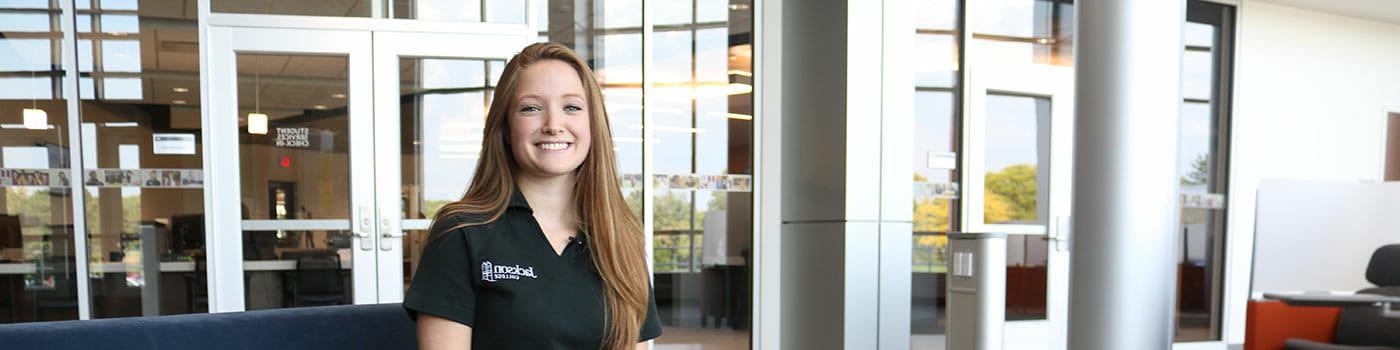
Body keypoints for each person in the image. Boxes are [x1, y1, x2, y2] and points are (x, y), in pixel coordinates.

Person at [404, 42, 661, 350]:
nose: (554, 125)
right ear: (505, 128)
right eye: (531, 108)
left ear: (593, 125)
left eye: (572, 107)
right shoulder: (462, 232)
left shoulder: (620, 238)